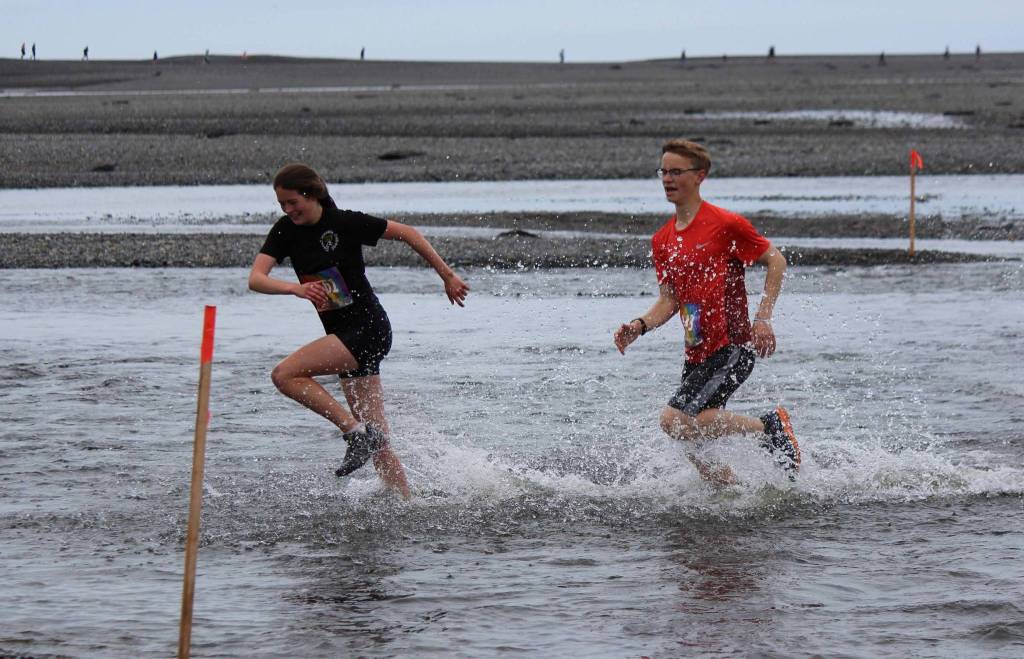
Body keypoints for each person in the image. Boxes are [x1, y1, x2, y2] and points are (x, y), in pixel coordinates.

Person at [248, 164, 470, 499]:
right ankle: (405, 505)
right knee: (379, 441)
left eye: (293, 202)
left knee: (284, 375)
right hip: (344, 336)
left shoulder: (344, 222)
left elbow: (409, 233)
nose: (288, 210)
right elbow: (256, 279)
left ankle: (354, 433)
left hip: (368, 328)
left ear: (312, 194)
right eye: (282, 204)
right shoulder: (284, 231)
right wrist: (295, 289)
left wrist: (447, 276)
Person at [613, 139, 799, 485]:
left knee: (674, 421)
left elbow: (776, 260)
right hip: (696, 349)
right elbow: (669, 300)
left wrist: (763, 318)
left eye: (676, 172)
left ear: (700, 176)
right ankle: (733, 492)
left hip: (731, 346)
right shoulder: (663, 239)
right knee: (694, 440)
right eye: (663, 172)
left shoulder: (725, 224)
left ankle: (769, 426)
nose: (668, 179)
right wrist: (640, 325)